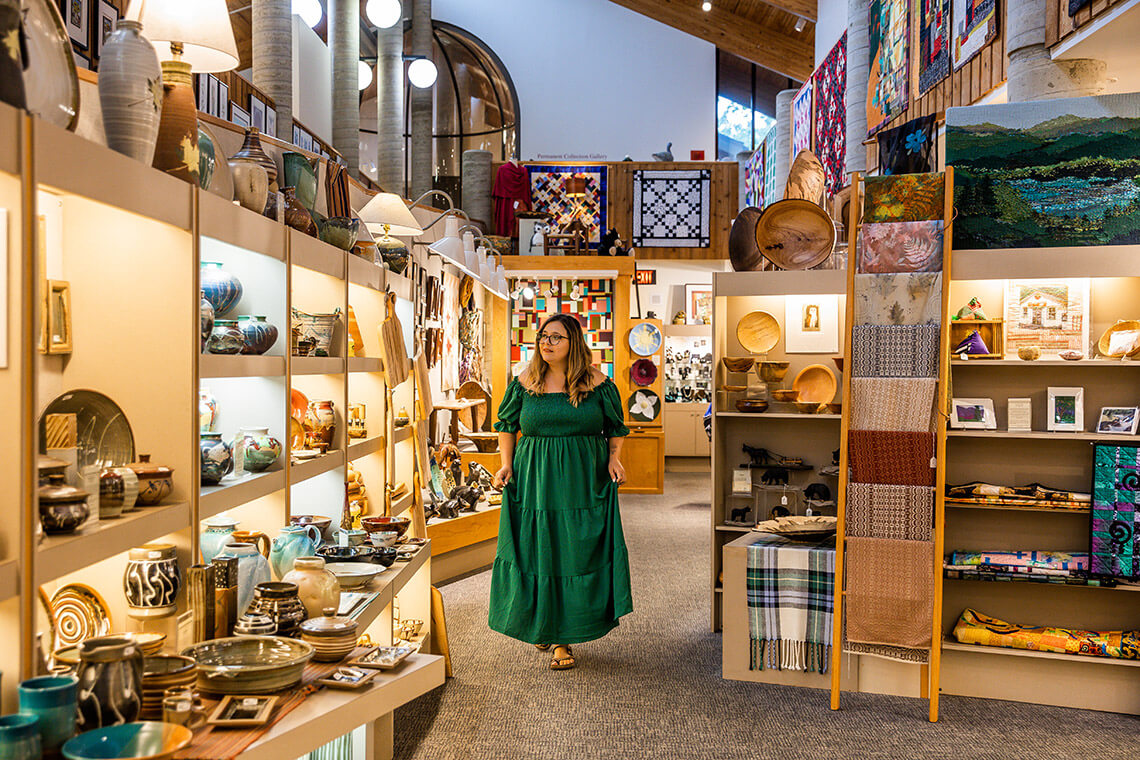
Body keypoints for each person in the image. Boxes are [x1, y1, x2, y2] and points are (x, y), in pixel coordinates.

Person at [489, 313, 633, 670]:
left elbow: (615, 428)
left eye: (556, 337)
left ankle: (563, 638)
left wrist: (614, 459)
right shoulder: (524, 382)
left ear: (574, 344)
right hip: (534, 479)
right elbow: (507, 426)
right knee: (538, 551)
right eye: (543, 336)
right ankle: (544, 622)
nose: (546, 342)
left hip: (581, 482)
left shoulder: (599, 384)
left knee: (573, 552)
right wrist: (506, 463)